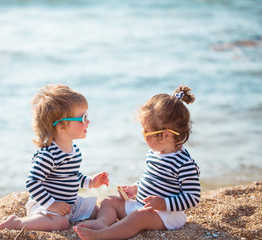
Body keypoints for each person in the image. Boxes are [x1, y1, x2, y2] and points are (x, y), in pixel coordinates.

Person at [74, 85, 201, 240]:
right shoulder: (154, 153)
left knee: (138, 218)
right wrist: (136, 188)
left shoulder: (184, 163)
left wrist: (164, 204)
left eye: (146, 133)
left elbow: (192, 196)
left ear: (166, 136)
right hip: (142, 206)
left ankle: (104, 235)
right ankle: (102, 223)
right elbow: (150, 179)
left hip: (166, 215)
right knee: (110, 201)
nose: (143, 136)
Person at [0, 84, 109, 231]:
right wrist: (52, 204)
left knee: (95, 209)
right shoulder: (49, 154)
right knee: (61, 224)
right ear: (61, 126)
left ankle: (100, 223)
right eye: (83, 118)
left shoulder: (74, 149)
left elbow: (71, 175)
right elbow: (32, 181)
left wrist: (90, 182)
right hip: (45, 205)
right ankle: (17, 223)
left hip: (70, 203)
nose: (88, 122)